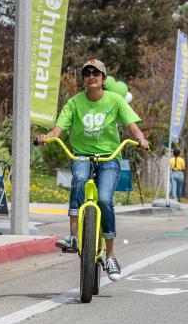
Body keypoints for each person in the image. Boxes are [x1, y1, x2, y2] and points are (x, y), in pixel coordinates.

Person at [38, 58, 149, 282]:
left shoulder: (115, 100)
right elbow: (58, 130)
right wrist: (47, 138)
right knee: (79, 179)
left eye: (96, 73)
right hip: (81, 155)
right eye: (87, 73)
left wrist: (140, 138)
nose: (91, 76)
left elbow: (132, 125)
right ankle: (73, 237)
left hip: (109, 157)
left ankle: (110, 256)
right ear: (84, 79)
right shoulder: (74, 102)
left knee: (105, 199)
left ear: (103, 78)